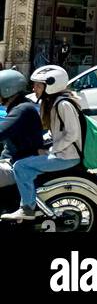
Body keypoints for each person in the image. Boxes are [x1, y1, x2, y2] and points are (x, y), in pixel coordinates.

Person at [0, 65, 83, 223]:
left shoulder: (63, 104)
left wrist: (51, 150)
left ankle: (27, 208)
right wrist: (44, 145)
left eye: (38, 85)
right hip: (62, 153)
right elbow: (55, 131)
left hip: (66, 156)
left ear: (51, 85)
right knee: (23, 167)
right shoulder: (53, 103)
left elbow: (72, 133)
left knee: (21, 166)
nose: (34, 88)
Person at [0, 68, 44, 208]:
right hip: (14, 160)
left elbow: (1, 132)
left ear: (7, 90)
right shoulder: (21, 106)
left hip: (18, 163)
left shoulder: (22, 110)